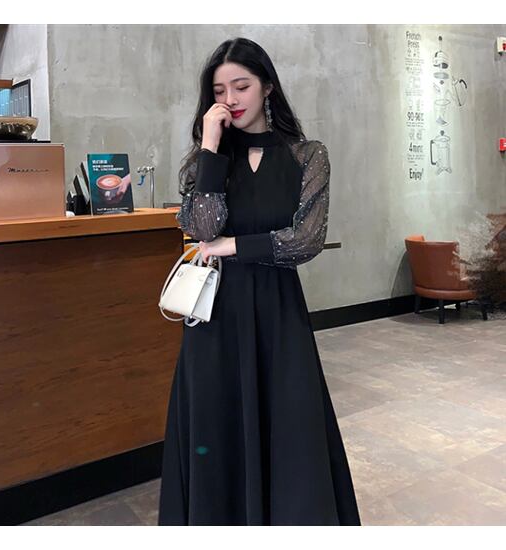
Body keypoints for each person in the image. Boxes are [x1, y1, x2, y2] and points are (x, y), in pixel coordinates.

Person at [158, 37, 361, 526]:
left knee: (290, 428)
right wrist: (210, 147)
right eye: (219, 91)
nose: (230, 99)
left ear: (267, 86)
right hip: (215, 322)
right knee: (217, 429)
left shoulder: (307, 155)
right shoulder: (207, 162)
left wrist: (232, 246)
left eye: (242, 86)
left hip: (278, 316)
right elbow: (202, 227)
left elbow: (306, 240)